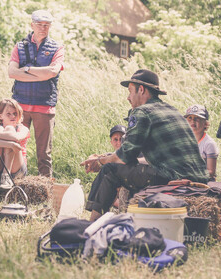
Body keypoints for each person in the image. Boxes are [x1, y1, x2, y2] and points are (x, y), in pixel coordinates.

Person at [81, 69, 208, 221]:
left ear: (141, 89)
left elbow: (125, 157)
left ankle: (91, 225)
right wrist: (106, 157)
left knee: (110, 170)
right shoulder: (172, 111)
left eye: (130, 91)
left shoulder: (142, 112)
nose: (128, 97)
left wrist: (100, 161)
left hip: (173, 177)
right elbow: (142, 159)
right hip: (199, 178)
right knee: (129, 169)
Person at [8, 10, 64, 178]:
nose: (43, 28)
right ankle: (13, 183)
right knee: (14, 146)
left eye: (46, 25)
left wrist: (26, 70)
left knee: (44, 154)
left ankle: (45, 188)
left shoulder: (57, 48)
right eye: (39, 24)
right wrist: (40, 75)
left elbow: (52, 72)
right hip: (19, 106)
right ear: (32, 25)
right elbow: (12, 73)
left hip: (44, 106)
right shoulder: (19, 46)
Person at [0, 99, 30, 195]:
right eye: (8, 114)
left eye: (15, 113)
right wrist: (10, 145)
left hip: (16, 169)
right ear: (0, 116)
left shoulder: (23, 128)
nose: (13, 116)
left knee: (10, 129)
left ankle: (6, 175)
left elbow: (16, 137)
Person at [184, 104, 219, 181]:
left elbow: (211, 172)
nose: (192, 121)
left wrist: (191, 175)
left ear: (205, 124)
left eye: (197, 118)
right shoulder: (184, 140)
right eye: (190, 118)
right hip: (187, 180)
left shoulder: (209, 143)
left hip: (204, 181)